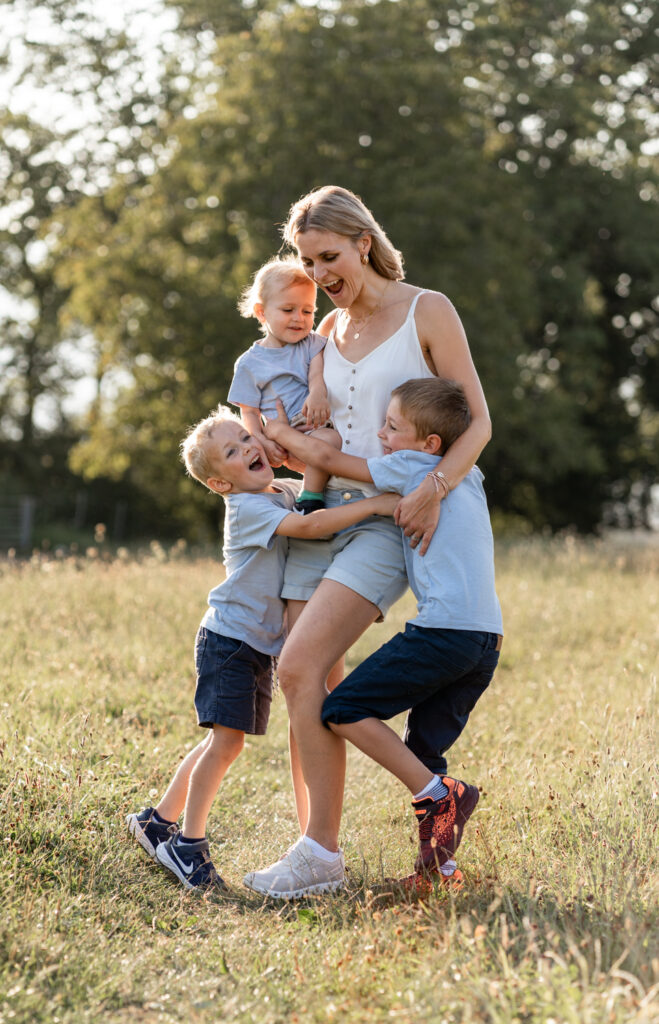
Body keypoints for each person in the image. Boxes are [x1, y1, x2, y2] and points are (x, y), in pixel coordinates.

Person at [243, 186, 493, 899]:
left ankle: (324, 851)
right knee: (305, 672)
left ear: (361, 240)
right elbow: (337, 440)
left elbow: (475, 424)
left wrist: (433, 488)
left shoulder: (426, 310)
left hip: (417, 510)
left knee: (300, 666)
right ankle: (343, 836)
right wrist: (280, 448)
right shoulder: (323, 337)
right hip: (351, 510)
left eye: (327, 257)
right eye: (306, 262)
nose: (318, 275)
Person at [126, 406, 397, 890]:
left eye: (245, 438)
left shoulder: (282, 492)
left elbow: (319, 500)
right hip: (230, 641)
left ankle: (158, 821)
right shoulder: (247, 508)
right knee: (226, 745)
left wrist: (311, 445)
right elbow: (314, 527)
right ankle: (187, 847)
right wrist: (376, 506)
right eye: (233, 451)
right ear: (220, 485)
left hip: (253, 645)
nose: (249, 448)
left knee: (220, 743)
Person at [228, 257, 341, 514]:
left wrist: (317, 393)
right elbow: (249, 412)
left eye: (308, 311)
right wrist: (262, 441)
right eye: (288, 310)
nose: (298, 319)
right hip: (283, 436)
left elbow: (316, 373)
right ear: (261, 312)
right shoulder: (249, 364)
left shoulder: (311, 344)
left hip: (314, 428)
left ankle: (311, 496)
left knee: (330, 439)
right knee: (325, 445)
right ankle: (310, 499)